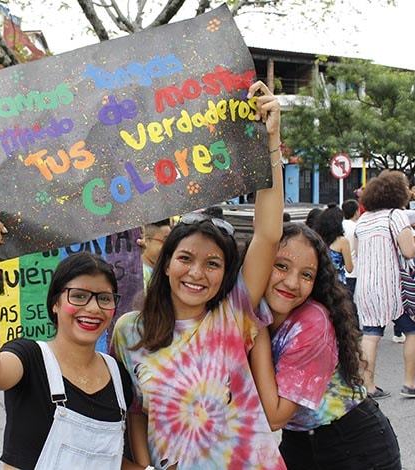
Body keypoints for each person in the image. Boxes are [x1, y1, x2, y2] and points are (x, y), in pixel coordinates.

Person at [112, 80, 285, 468]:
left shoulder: (234, 313)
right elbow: (136, 410)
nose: (196, 273)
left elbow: (269, 235)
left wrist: (271, 142)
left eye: (212, 264)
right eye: (186, 258)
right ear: (166, 263)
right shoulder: (129, 331)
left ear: (226, 274)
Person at [0, 197, 136, 469]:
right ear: (55, 303)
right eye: (78, 296)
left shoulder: (119, 377)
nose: (93, 308)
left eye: (104, 298)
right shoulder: (30, 358)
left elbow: (117, 459)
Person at [250, 223, 401, 469]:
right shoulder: (254, 312)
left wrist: (256, 330)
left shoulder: (312, 322)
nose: (292, 282)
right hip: (300, 441)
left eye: (306, 275)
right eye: (281, 266)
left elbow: (275, 417)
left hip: (355, 447)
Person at [354, 170, 415, 399]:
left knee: (370, 335)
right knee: (413, 331)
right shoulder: (395, 215)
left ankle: (368, 387)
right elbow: (408, 251)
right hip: (394, 287)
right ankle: (410, 384)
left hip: (366, 288)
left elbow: (358, 252)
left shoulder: (363, 219)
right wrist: (414, 245)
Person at [314, 206, 353, 284]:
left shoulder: (317, 239)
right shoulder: (342, 241)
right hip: (336, 283)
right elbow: (349, 268)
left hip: (320, 282)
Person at [136, 219, 171, 289]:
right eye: (165, 241)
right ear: (147, 241)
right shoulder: (138, 274)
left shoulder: (166, 270)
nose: (169, 246)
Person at [341, 199, 360, 297]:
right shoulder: (358, 227)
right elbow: (358, 252)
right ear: (356, 212)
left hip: (340, 271)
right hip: (354, 271)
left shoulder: (339, 226)